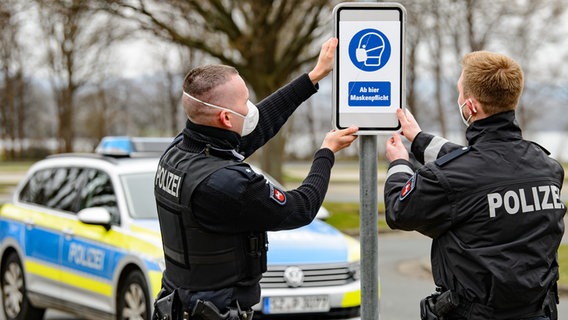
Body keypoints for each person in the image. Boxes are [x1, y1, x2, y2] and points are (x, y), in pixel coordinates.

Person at [152, 37, 358, 320]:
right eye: (245, 103)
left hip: (177, 306)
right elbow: (301, 208)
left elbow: (259, 126)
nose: (251, 109)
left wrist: (313, 77)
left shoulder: (177, 153)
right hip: (215, 312)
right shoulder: (228, 185)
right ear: (226, 118)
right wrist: (326, 152)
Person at [383, 51, 565, 320]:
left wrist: (399, 163)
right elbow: (482, 166)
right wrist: (419, 139)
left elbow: (398, 210)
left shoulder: (455, 177)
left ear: (470, 107)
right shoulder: (548, 169)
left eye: (459, 92)